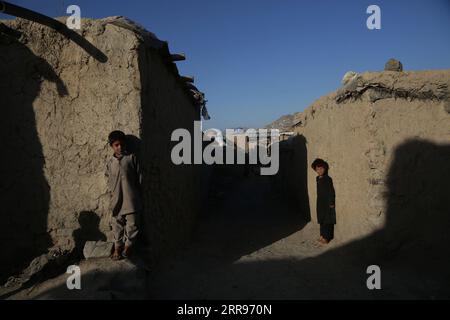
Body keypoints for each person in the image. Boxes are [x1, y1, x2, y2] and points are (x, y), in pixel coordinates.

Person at [105, 130, 143, 260]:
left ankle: (128, 246)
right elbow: (108, 180)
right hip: (117, 200)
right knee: (117, 225)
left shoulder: (131, 158)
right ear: (112, 146)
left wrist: (138, 193)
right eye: (116, 145)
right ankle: (117, 247)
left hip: (131, 198)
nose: (119, 147)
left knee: (132, 224)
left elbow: (140, 177)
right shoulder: (110, 162)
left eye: (121, 144)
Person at [311, 158, 336, 245]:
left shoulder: (328, 179)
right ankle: (322, 235)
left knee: (327, 220)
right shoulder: (317, 178)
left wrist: (332, 202)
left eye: (321, 168)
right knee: (321, 219)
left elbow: (331, 191)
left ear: (325, 168)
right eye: (317, 169)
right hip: (320, 202)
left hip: (327, 202)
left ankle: (326, 237)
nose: (319, 171)